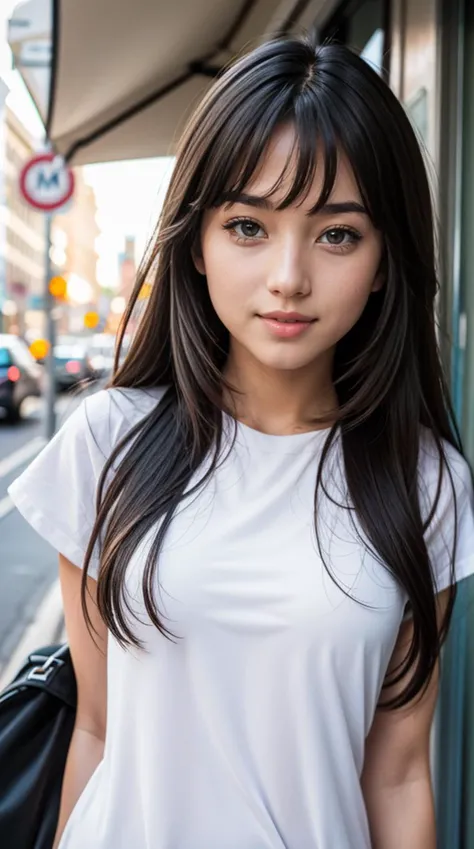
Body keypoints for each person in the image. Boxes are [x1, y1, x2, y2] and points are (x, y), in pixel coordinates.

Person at [8, 31, 474, 849]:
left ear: (383, 259)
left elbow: (398, 772)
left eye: (337, 234)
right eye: (249, 226)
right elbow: (95, 728)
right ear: (196, 240)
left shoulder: (426, 482)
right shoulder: (109, 443)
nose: (288, 276)